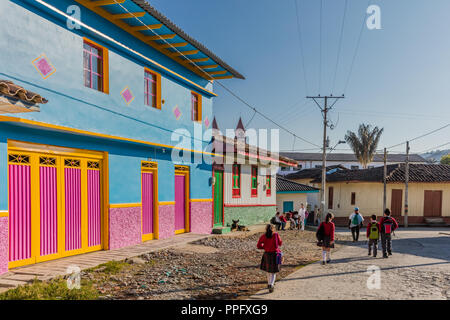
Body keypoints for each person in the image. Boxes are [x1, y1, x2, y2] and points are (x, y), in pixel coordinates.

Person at [257, 224, 283, 293]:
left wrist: (265, 247)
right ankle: (271, 284)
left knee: (268, 271)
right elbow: (280, 243)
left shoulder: (263, 236)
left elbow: (258, 245)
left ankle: (269, 284)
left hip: (267, 254)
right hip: (275, 254)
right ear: (273, 229)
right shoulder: (276, 235)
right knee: (273, 271)